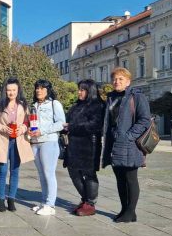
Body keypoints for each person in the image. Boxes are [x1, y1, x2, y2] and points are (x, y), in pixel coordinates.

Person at [102, 67, 151, 223]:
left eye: (120, 79)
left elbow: (144, 120)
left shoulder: (137, 96)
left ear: (128, 81)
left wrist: (129, 136)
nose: (117, 82)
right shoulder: (111, 98)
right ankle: (124, 209)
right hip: (113, 144)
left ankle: (131, 211)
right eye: (115, 79)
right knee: (120, 179)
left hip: (130, 144)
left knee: (130, 178)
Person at [63, 79, 104, 216]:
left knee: (89, 173)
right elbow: (69, 121)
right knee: (73, 172)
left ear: (89, 91)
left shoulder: (97, 105)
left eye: (82, 89)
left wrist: (72, 127)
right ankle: (85, 199)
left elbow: (94, 125)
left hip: (89, 145)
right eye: (79, 89)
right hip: (73, 144)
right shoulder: (77, 105)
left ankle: (90, 203)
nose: (79, 92)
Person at [0, 78, 34, 212]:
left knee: (15, 171)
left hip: (18, 141)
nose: (11, 93)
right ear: (5, 91)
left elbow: (27, 123)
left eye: (14, 90)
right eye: (9, 90)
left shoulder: (23, 105)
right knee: (2, 171)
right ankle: (0, 200)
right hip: (3, 140)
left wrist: (21, 129)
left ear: (18, 91)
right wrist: (5, 128)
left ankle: (11, 199)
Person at [28, 79, 65, 216]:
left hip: (49, 142)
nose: (39, 90)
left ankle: (50, 204)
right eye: (37, 88)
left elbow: (61, 123)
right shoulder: (34, 105)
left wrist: (42, 131)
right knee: (41, 174)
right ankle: (44, 202)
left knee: (49, 173)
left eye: (42, 88)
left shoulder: (54, 104)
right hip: (35, 142)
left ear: (48, 90)